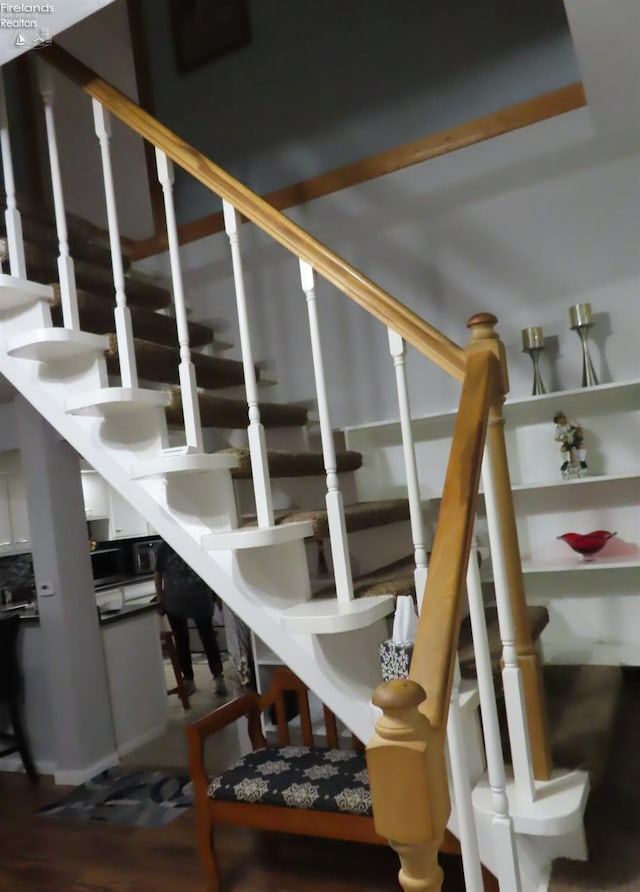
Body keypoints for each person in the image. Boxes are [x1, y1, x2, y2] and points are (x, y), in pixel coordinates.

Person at [154, 541, 227, 696]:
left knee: (209, 640)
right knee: (181, 641)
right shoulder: (164, 547)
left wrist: (219, 597)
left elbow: (212, 570)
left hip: (201, 598)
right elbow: (158, 574)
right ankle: (188, 680)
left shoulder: (194, 540)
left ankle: (218, 678)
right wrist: (161, 599)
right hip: (174, 601)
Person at [553, 411, 588, 479]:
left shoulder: (570, 423)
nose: (563, 420)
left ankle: (582, 461)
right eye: (560, 419)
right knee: (563, 449)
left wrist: (580, 434)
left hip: (575, 439)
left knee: (582, 446)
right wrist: (562, 440)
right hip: (567, 442)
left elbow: (579, 428)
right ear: (558, 421)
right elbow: (556, 438)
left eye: (563, 418)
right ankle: (565, 462)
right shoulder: (558, 429)